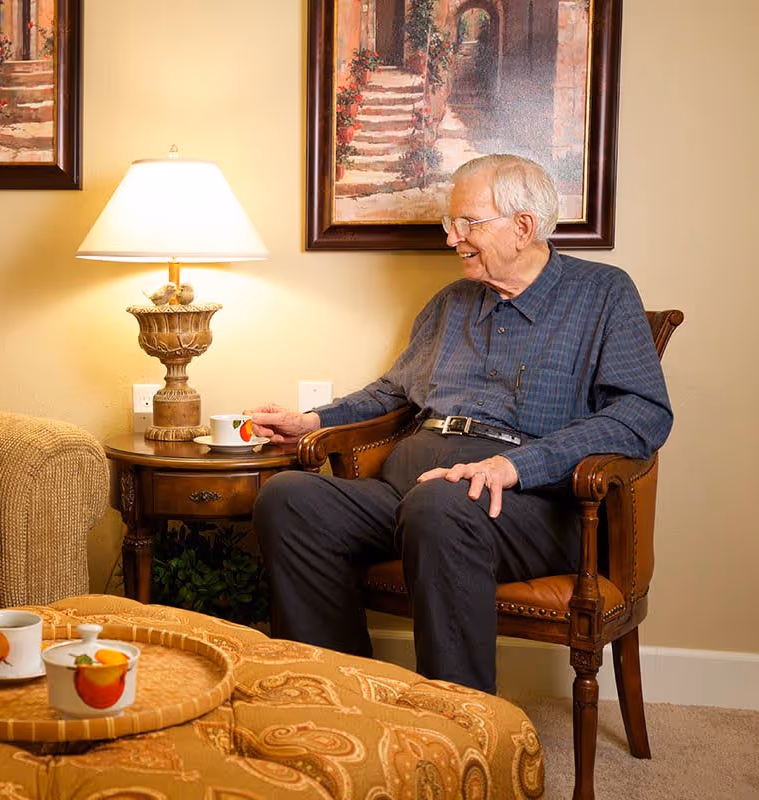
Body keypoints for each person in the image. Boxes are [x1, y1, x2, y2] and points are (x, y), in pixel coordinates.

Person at [248, 154, 672, 694]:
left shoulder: (602, 294)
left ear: (523, 227)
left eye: (468, 223)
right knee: (287, 498)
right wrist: (310, 419)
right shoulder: (452, 302)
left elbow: (642, 413)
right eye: (453, 224)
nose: (454, 238)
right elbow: (392, 391)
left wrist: (515, 465)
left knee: (441, 505)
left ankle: (461, 729)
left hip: (529, 504)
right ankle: (342, 695)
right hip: (412, 487)